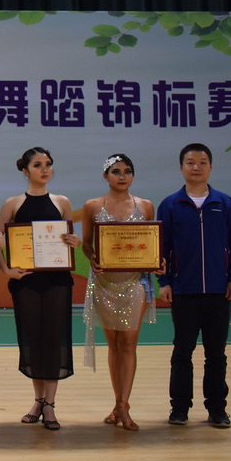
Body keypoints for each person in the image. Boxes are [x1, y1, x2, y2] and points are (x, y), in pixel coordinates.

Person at [158, 143, 231, 429]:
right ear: (181, 167)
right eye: (190, 162)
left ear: (211, 167)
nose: (196, 167)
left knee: (216, 354)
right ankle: (179, 408)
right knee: (182, 352)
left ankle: (217, 409)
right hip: (183, 291)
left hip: (219, 291)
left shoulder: (225, 203)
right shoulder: (170, 205)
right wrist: (165, 282)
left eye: (202, 162)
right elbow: (162, 248)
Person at [0, 146, 80, 431]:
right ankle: (38, 400)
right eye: (38, 165)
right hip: (26, 282)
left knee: (53, 339)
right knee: (33, 340)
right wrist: (7, 270)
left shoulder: (62, 202)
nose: (45, 170)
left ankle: (50, 404)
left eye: (48, 164)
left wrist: (74, 242)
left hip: (57, 281)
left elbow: (69, 240)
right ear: (25, 170)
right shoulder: (13, 204)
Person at [80, 153, 159, 432]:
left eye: (127, 171)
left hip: (135, 281)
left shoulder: (146, 206)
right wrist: (93, 259)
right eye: (116, 171)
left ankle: (123, 405)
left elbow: (151, 242)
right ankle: (118, 402)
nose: (122, 176)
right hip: (104, 283)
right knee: (113, 344)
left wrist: (155, 261)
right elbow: (86, 244)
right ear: (106, 176)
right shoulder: (92, 205)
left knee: (128, 343)